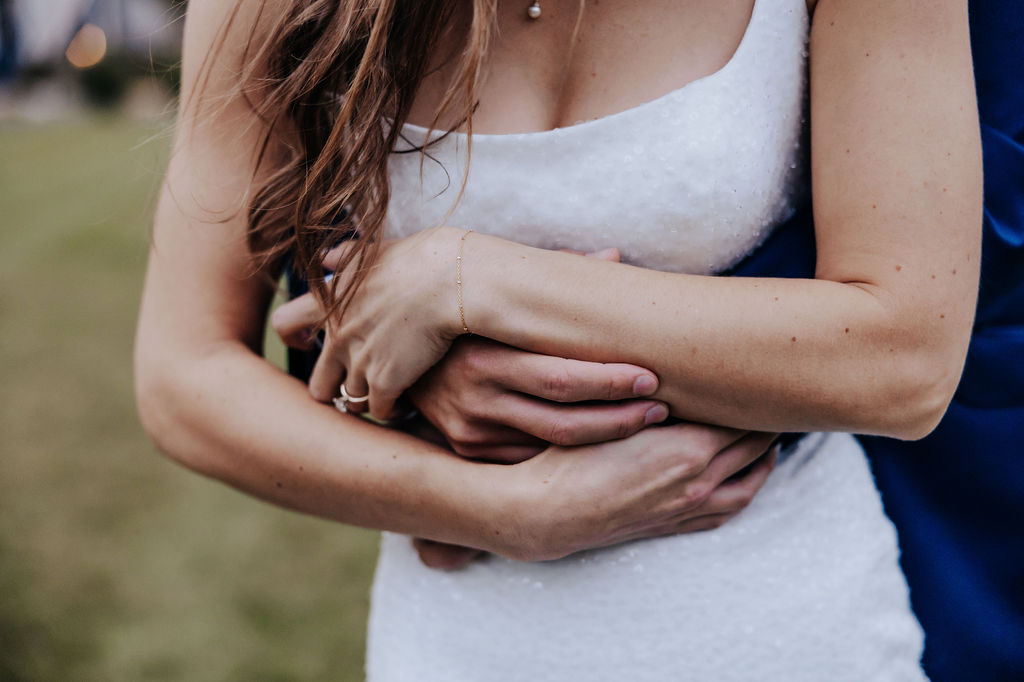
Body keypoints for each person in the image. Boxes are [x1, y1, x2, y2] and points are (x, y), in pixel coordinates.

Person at [134, 0, 981, 679]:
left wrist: (469, 280)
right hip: (465, 637)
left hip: (788, 624)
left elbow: (904, 359)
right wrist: (507, 513)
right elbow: (183, 377)